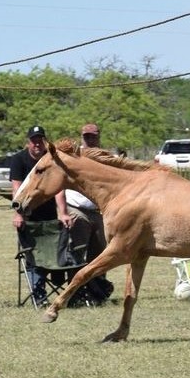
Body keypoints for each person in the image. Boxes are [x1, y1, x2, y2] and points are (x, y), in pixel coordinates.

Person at [9, 125, 67, 307]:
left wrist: (63, 213)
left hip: (49, 214)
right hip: (29, 216)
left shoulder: (50, 159)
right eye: (34, 140)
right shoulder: (19, 160)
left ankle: (61, 288)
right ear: (28, 142)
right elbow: (16, 188)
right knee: (34, 256)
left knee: (54, 254)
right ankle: (39, 295)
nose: (37, 144)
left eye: (40, 140)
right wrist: (19, 214)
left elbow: (58, 189)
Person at [60, 124, 115, 305]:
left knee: (99, 254)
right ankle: (73, 294)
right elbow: (60, 183)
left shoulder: (106, 157)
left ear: (98, 136)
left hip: (99, 210)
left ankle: (96, 293)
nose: (89, 140)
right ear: (81, 137)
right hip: (76, 207)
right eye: (86, 137)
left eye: (92, 136)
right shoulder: (74, 156)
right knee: (77, 252)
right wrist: (63, 211)